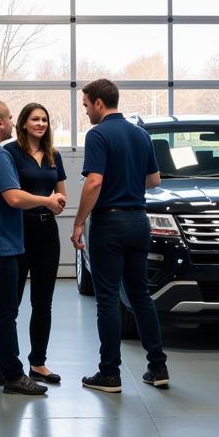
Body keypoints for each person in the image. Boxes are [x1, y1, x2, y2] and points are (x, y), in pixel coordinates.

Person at [0, 99, 66, 396]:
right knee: (7, 311)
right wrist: (45, 200)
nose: (12, 120)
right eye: (9, 117)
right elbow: (14, 199)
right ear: (1, 123)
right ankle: (14, 375)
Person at [71, 79, 169, 393]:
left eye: (86, 105)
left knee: (108, 300)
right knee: (141, 296)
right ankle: (157, 367)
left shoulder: (98, 134)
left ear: (99, 103)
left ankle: (109, 373)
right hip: (139, 221)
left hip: (109, 224)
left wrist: (78, 222)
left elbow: (94, 182)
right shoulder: (141, 134)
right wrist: (128, 182)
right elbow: (154, 180)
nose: (85, 112)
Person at [4, 103, 67, 385]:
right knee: (11, 302)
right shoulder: (10, 152)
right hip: (19, 230)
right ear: (23, 123)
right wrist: (46, 200)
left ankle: (38, 363)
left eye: (44, 119)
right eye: (35, 119)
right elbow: (12, 194)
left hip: (47, 232)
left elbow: (61, 194)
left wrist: (58, 203)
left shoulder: (54, 154)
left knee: (43, 302)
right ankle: (8, 363)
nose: (40, 124)